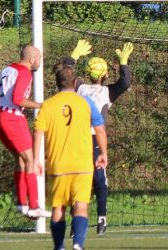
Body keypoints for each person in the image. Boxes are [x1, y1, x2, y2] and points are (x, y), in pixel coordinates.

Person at [33, 65, 108, 250]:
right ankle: (78, 245)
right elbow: (100, 128)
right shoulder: (86, 102)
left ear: (57, 84)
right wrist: (104, 153)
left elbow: (38, 132)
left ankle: (59, 246)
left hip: (58, 164)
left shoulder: (48, 105)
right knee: (81, 205)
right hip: (83, 163)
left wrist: (36, 159)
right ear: (75, 83)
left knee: (58, 207)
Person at [65, 39, 134, 234]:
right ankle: (102, 218)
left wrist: (74, 56)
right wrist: (123, 62)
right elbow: (125, 82)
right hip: (95, 140)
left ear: (88, 73)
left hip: (77, 140)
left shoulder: (80, 88)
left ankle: (75, 221)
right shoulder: (108, 92)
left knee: (78, 180)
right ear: (104, 74)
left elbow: (65, 74)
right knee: (99, 180)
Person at [0, 44, 50, 218]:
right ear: (32, 59)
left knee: (21, 160)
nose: (40, 61)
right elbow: (18, 99)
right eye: (39, 58)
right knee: (31, 159)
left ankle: (22, 204)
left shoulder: (8, 69)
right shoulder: (25, 73)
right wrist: (41, 105)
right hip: (12, 118)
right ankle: (34, 206)